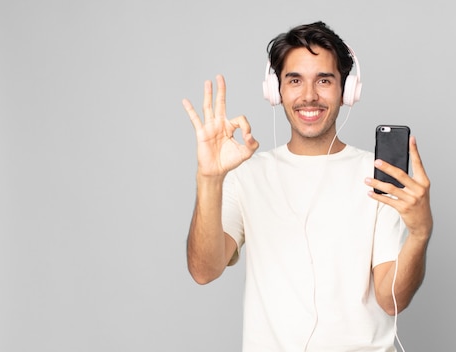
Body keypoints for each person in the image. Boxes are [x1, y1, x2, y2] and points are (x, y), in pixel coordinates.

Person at [182, 21, 433, 352]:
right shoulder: (247, 174)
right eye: (295, 80)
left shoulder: (379, 175)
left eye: (324, 80)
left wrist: (420, 234)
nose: (309, 95)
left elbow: (391, 300)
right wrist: (209, 178)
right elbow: (204, 270)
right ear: (276, 91)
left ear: (347, 90)